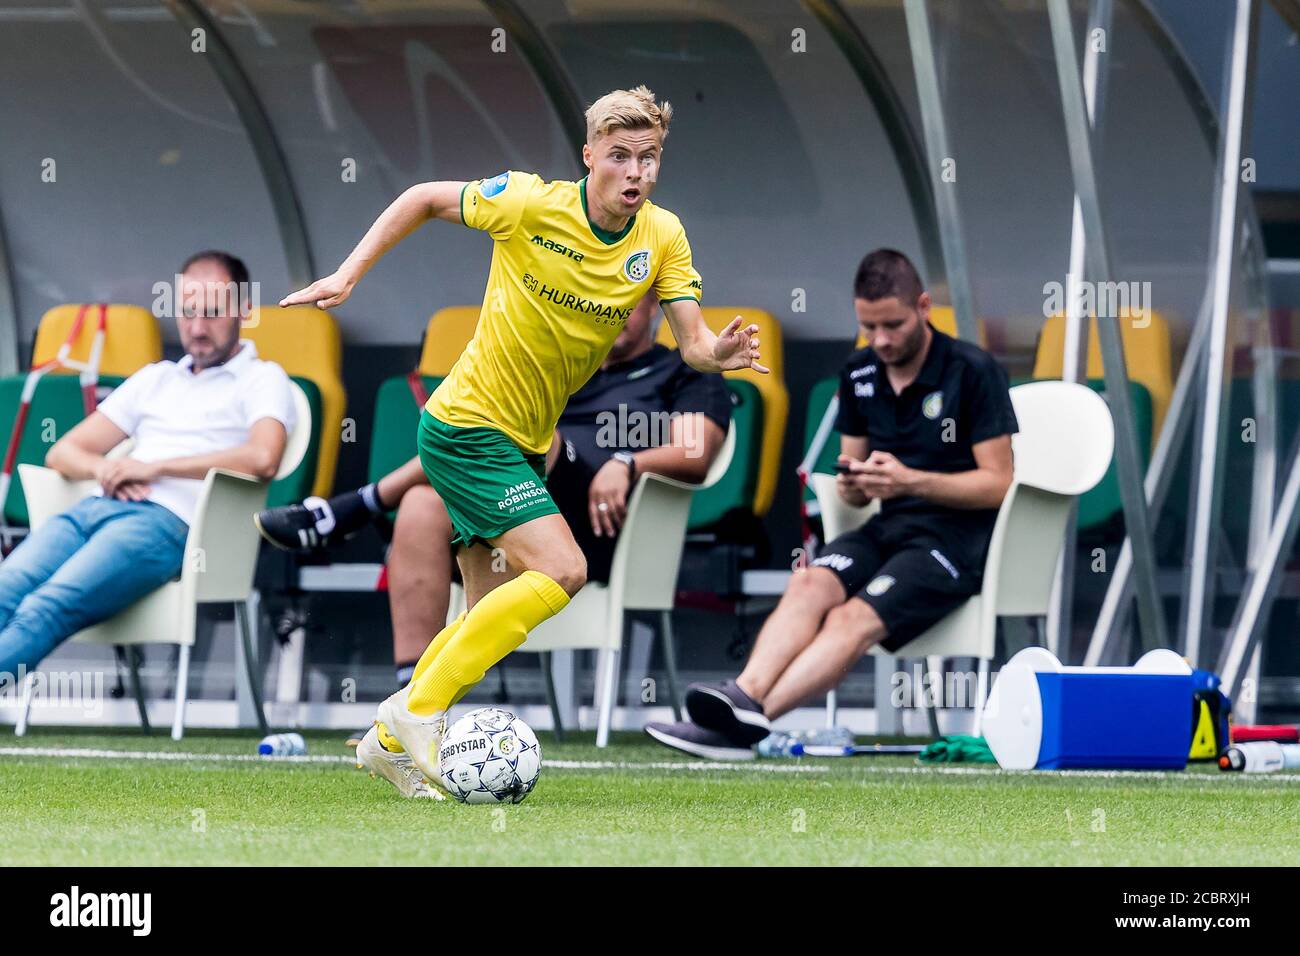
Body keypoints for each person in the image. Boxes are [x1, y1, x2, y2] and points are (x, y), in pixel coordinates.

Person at [281, 86, 765, 797]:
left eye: (650, 159)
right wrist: (349, 273)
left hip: (524, 443)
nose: (636, 174)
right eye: (621, 157)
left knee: (488, 616)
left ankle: (389, 741)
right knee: (563, 570)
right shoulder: (530, 203)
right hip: (466, 426)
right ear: (589, 157)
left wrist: (716, 353)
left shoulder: (662, 235)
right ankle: (418, 709)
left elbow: (691, 343)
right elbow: (420, 197)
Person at [254, 290, 730, 744]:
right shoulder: (565, 364)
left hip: (606, 529)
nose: (615, 312)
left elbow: (698, 450)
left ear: (656, 308)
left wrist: (627, 462)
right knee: (423, 503)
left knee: (525, 440)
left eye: (630, 302)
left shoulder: (681, 370)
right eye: (605, 303)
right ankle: (413, 705)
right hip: (515, 511)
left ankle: (352, 508)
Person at [646, 249, 1018, 760]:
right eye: (869, 327)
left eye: (893, 325)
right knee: (809, 581)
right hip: (888, 529)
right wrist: (856, 486)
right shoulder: (860, 370)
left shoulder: (972, 370)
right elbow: (850, 475)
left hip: (953, 544)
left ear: (924, 307)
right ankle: (743, 696)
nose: (882, 340)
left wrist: (911, 481)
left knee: (848, 620)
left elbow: (1000, 484)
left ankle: (739, 730)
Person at [0, 251, 296, 682]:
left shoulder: (264, 378)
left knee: (46, 606)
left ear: (244, 310)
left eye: (212, 313)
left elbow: (263, 458)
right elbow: (63, 453)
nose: (197, 328)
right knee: (6, 591)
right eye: (188, 312)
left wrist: (154, 468)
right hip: (96, 509)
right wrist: (108, 470)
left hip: (170, 525)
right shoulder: (157, 377)